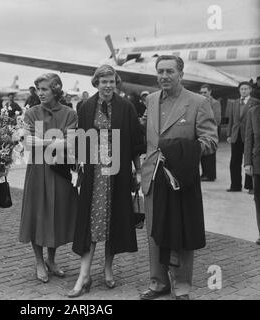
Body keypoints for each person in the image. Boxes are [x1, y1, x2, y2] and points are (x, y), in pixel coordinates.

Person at [140, 55, 218, 300]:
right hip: (153, 177)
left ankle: (182, 285)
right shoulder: (151, 100)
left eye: (170, 71)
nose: (164, 76)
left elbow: (211, 141)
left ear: (181, 74)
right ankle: (158, 282)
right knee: (154, 232)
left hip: (180, 179)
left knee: (181, 232)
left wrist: (180, 151)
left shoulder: (198, 102)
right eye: (160, 71)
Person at [68, 65, 144, 298]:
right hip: (94, 172)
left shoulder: (126, 107)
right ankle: (84, 274)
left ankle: (108, 268)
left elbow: (134, 142)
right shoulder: (85, 106)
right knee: (92, 221)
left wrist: (138, 171)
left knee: (114, 219)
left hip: (118, 171)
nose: (108, 85)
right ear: (96, 83)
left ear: (116, 82)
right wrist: (78, 168)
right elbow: (81, 141)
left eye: (112, 81)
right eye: (104, 82)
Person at [19, 73, 78, 283]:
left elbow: (70, 144)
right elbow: (26, 142)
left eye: (44, 89)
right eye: (38, 89)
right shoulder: (32, 113)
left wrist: (41, 141)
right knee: (37, 215)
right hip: (37, 171)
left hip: (59, 172)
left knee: (56, 215)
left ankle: (52, 260)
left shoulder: (69, 113)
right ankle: (38, 261)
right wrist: (55, 140)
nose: (40, 93)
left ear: (56, 89)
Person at [226, 81, 259, 193]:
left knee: (250, 160)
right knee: (234, 161)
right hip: (236, 136)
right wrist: (229, 134)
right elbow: (231, 120)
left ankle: (251, 186)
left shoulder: (255, 102)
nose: (244, 91)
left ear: (250, 90)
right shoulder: (234, 103)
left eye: (246, 89)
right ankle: (235, 185)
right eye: (242, 89)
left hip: (249, 136)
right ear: (239, 90)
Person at [244, 104, 260, 244]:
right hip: (258, 163)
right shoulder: (253, 112)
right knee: (259, 200)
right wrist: (247, 162)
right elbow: (249, 138)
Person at [199, 84, 222, 182]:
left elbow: (217, 118)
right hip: (201, 130)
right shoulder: (199, 101)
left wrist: (209, 127)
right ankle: (205, 173)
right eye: (201, 92)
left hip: (211, 130)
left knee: (211, 153)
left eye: (205, 92)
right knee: (202, 153)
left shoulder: (215, 103)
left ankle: (211, 175)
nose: (203, 94)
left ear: (210, 92)